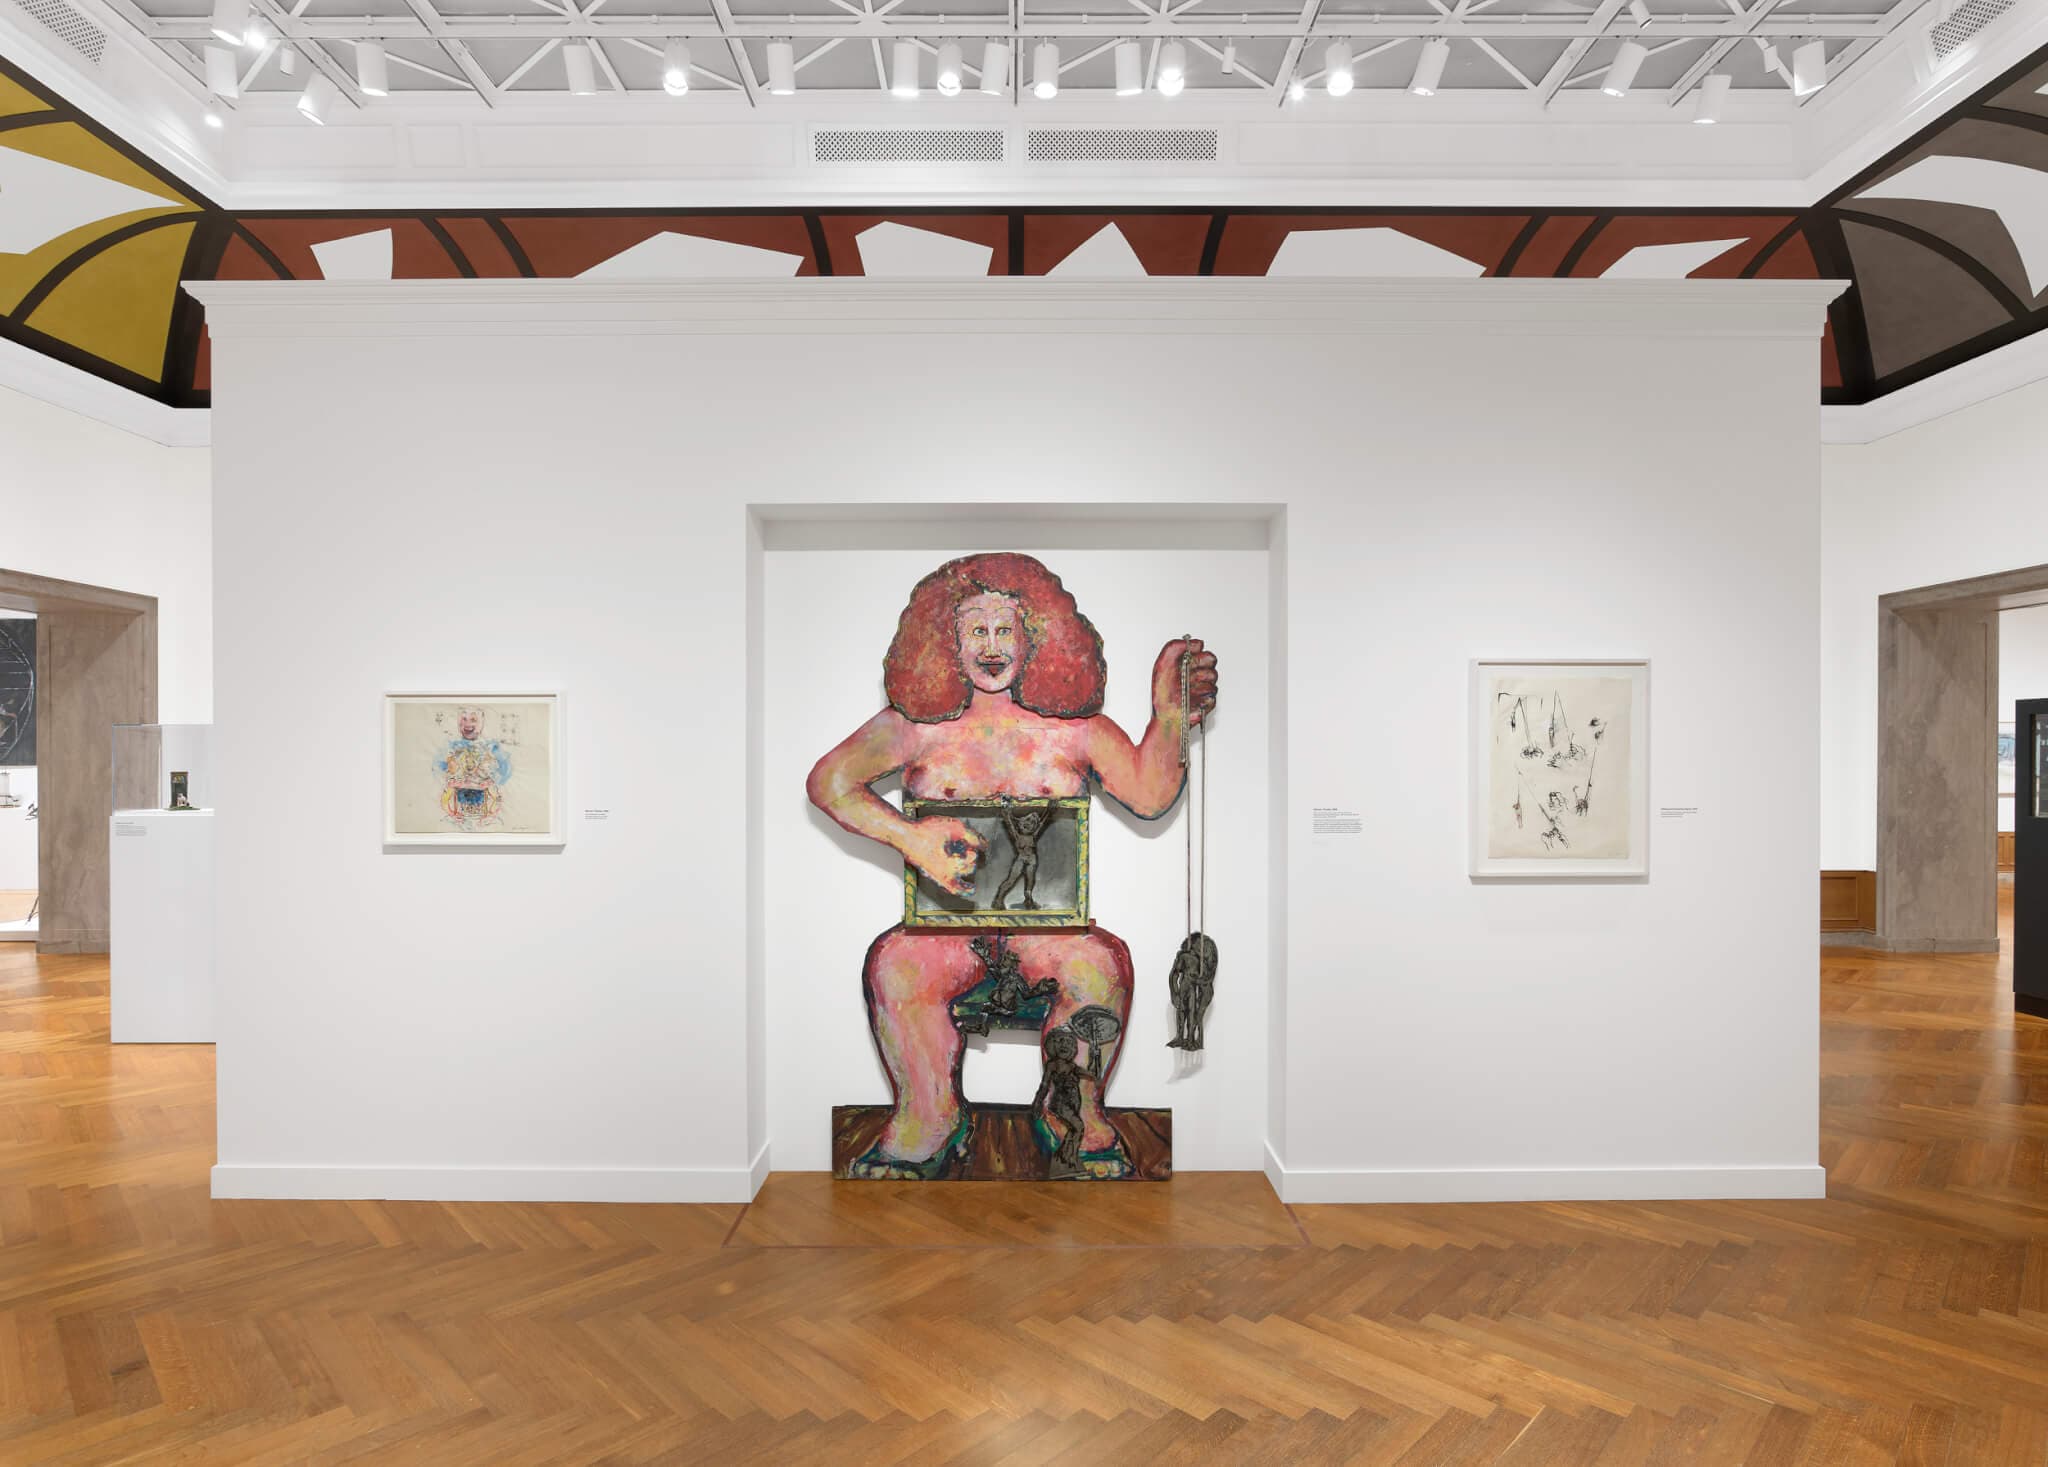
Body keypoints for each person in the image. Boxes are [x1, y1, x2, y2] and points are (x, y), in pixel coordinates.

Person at [808, 552, 1218, 1179]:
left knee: (1099, 967)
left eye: (1006, 629)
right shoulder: (914, 729)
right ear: (947, 643)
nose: (992, 646)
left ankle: (1071, 1113)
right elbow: (829, 782)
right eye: (977, 630)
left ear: (1037, 640)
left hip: (1049, 929)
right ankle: (929, 1117)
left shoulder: (1076, 730)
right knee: (896, 964)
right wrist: (909, 839)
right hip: (943, 927)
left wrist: (1167, 720)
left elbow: (1149, 793)